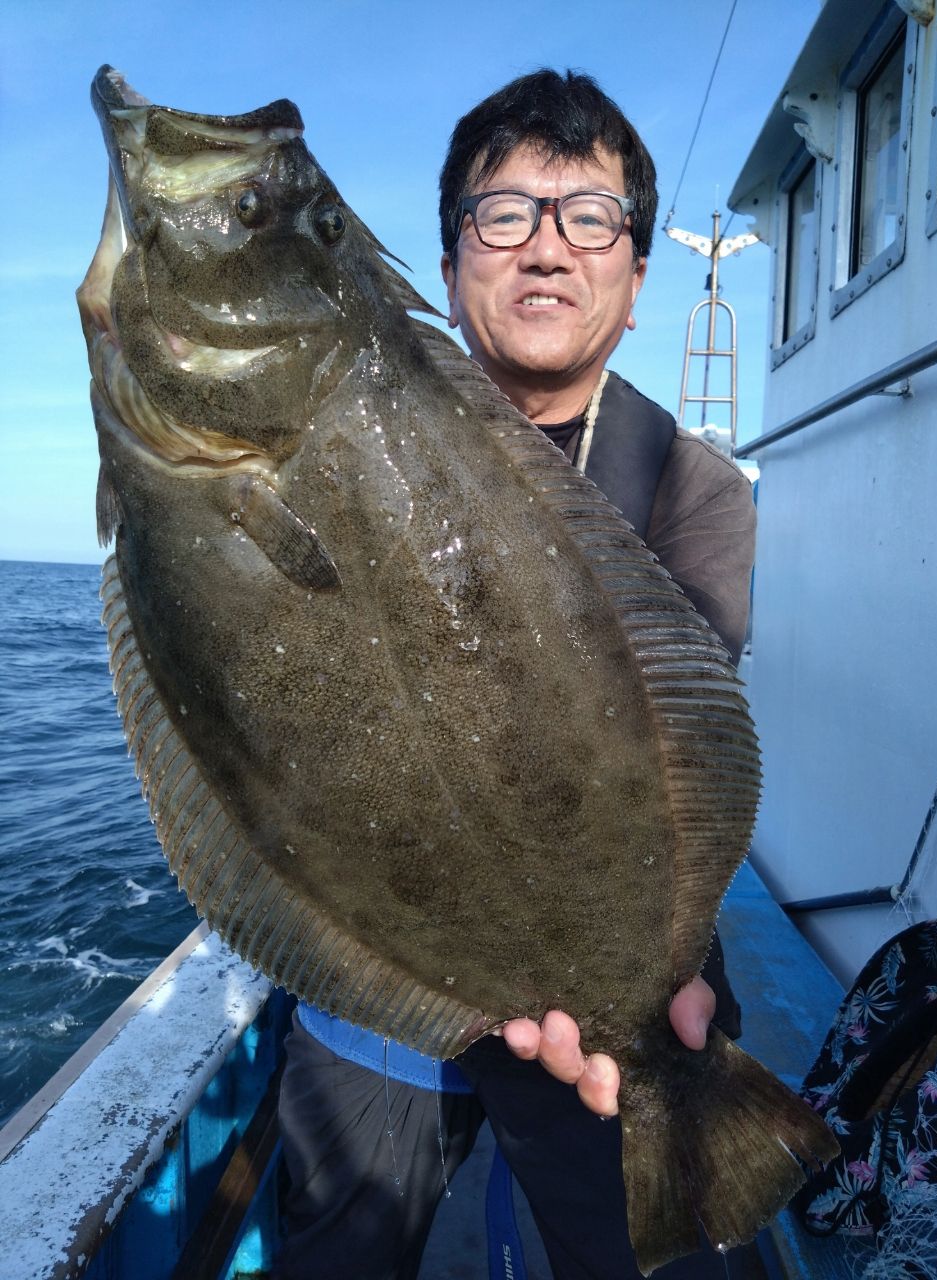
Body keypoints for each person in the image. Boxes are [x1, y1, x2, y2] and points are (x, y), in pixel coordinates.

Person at [276, 69, 756, 1280]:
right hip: (384, 980)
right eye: (505, 214)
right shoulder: (342, 431)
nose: (547, 248)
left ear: (637, 282)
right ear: (446, 270)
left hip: (603, 974)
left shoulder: (694, 487)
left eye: (589, 217)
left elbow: (667, 754)